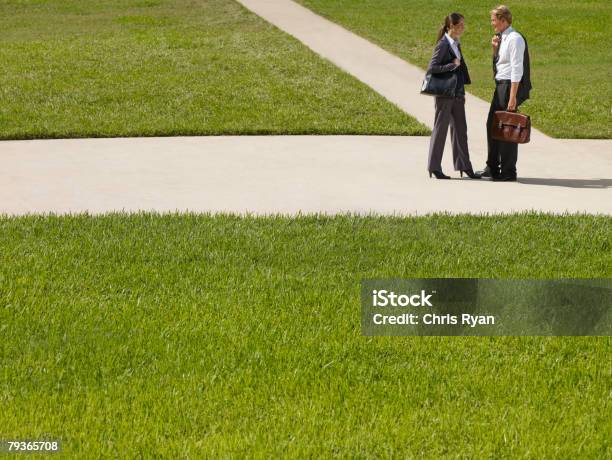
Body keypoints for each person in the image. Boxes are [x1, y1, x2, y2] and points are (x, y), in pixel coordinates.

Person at [477, 5, 532, 181]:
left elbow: (517, 69)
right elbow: (501, 65)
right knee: (492, 125)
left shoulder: (515, 39)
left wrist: (513, 96)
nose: (492, 23)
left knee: (508, 128)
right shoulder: (502, 38)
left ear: (503, 20)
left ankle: (508, 172)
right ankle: (492, 167)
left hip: (509, 86)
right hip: (501, 85)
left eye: (494, 20)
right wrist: (495, 49)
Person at [426, 13, 480, 180]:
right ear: (450, 27)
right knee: (440, 129)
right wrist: (451, 65)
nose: (463, 28)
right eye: (460, 25)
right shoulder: (443, 44)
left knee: (460, 130)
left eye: (464, 25)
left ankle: (465, 166)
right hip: (444, 94)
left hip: (457, 93)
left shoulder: (456, 43)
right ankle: (434, 167)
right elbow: (432, 67)